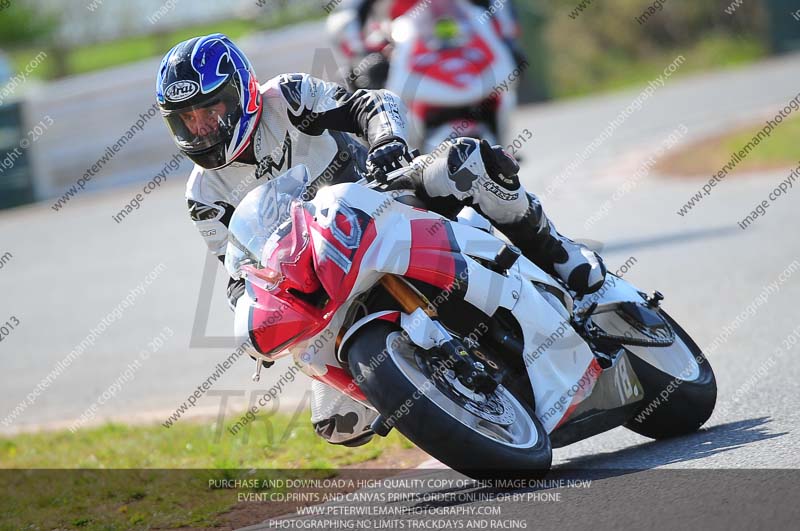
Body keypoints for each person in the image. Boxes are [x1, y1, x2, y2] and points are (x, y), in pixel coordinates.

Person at [156, 33, 605, 447]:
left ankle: (559, 255)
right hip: (316, 274)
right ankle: (451, 400)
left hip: (380, 197)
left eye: (210, 110)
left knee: (467, 162)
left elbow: (367, 106)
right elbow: (238, 273)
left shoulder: (287, 96)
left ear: (242, 94)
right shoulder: (203, 195)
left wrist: (386, 142)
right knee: (338, 425)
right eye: (188, 119)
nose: (201, 128)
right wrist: (253, 321)